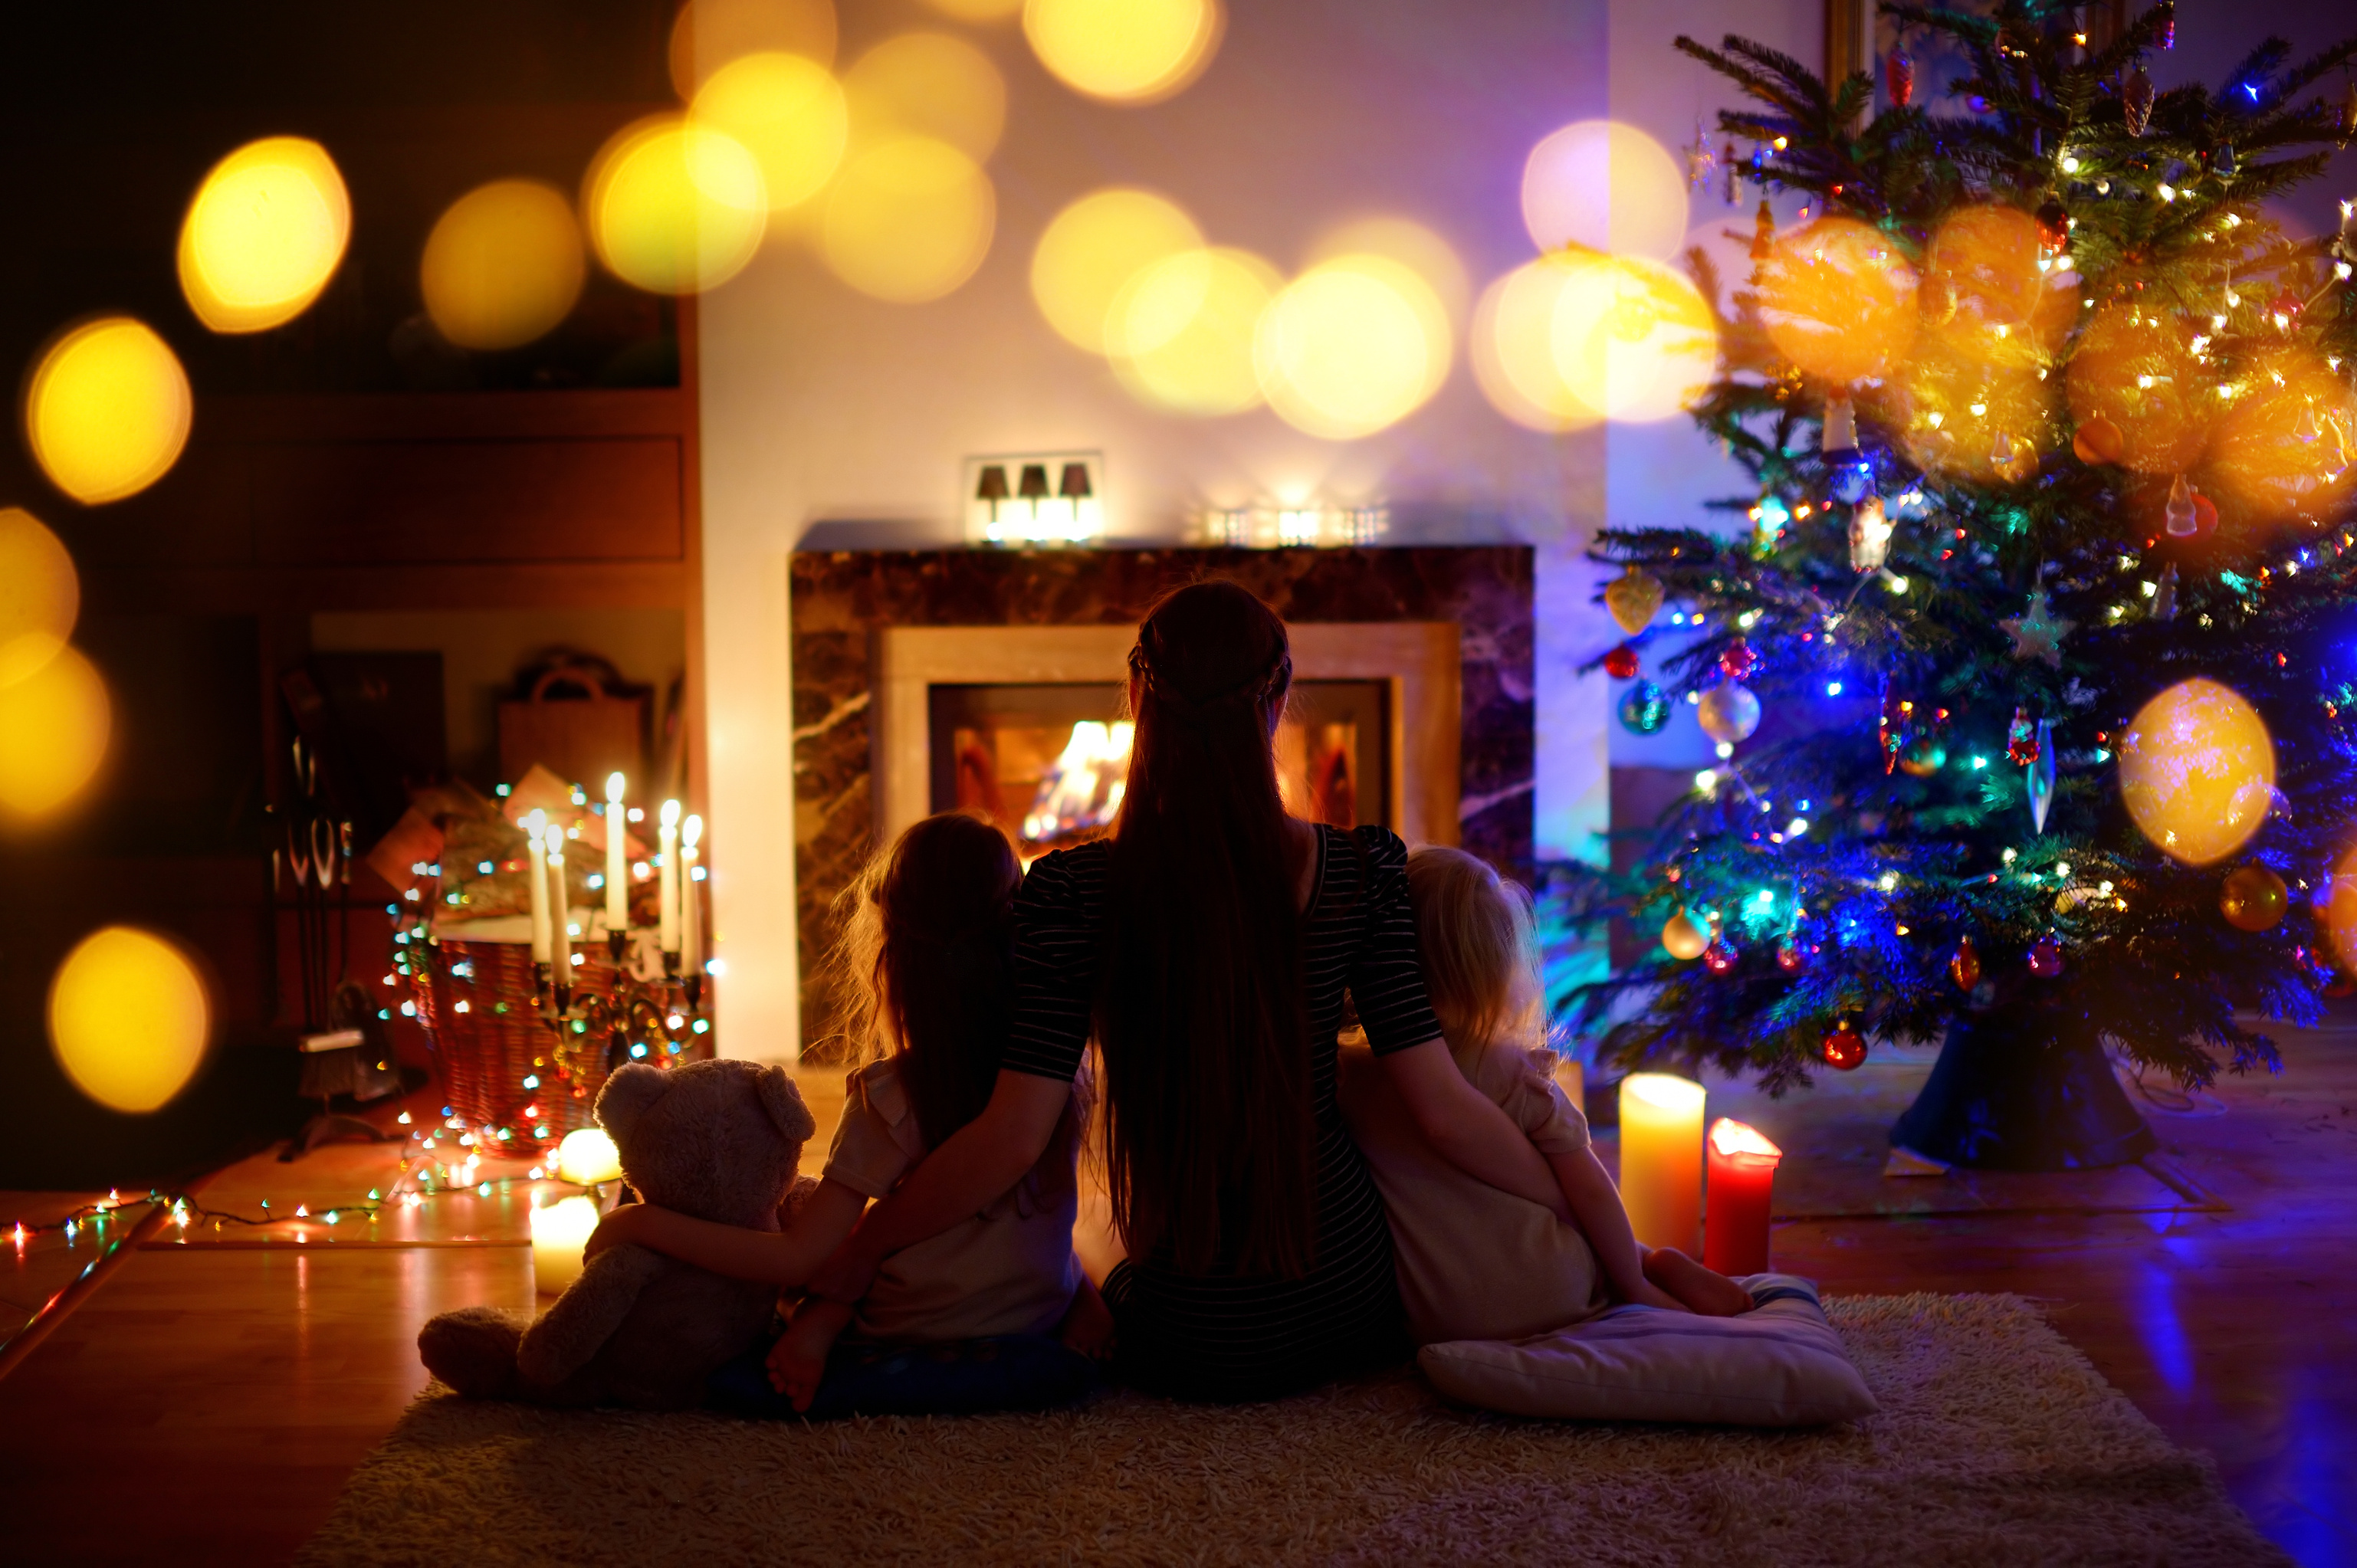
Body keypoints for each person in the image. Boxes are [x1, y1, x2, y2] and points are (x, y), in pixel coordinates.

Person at [802, 580, 1583, 1402]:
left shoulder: (1072, 895)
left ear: (1138, 695)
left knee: (1094, 1252)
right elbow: (1446, 1111)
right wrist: (1574, 1206)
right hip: (1352, 1302)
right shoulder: (1361, 873)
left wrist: (863, 1245)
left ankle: (1088, 1304)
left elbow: (1011, 1138)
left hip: (1181, 1331)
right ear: (1278, 696)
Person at [586, 811, 1105, 1412]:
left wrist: (639, 1224)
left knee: (806, 1231)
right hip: (1034, 1308)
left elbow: (800, 1257)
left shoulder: (891, 1097)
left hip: (914, 1325)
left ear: (893, 952)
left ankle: (822, 1324)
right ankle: (1069, 1295)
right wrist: (1081, 1295)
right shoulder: (1062, 1078)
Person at [1340, 845, 1753, 1346]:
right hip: (1553, 1285)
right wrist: (1633, 1281)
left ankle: (1648, 1265)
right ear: (1501, 970)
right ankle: (1647, 1267)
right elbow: (1593, 1192)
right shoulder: (1516, 1075)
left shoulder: (1352, 1074)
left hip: (1431, 1310)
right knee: (1589, 1233)